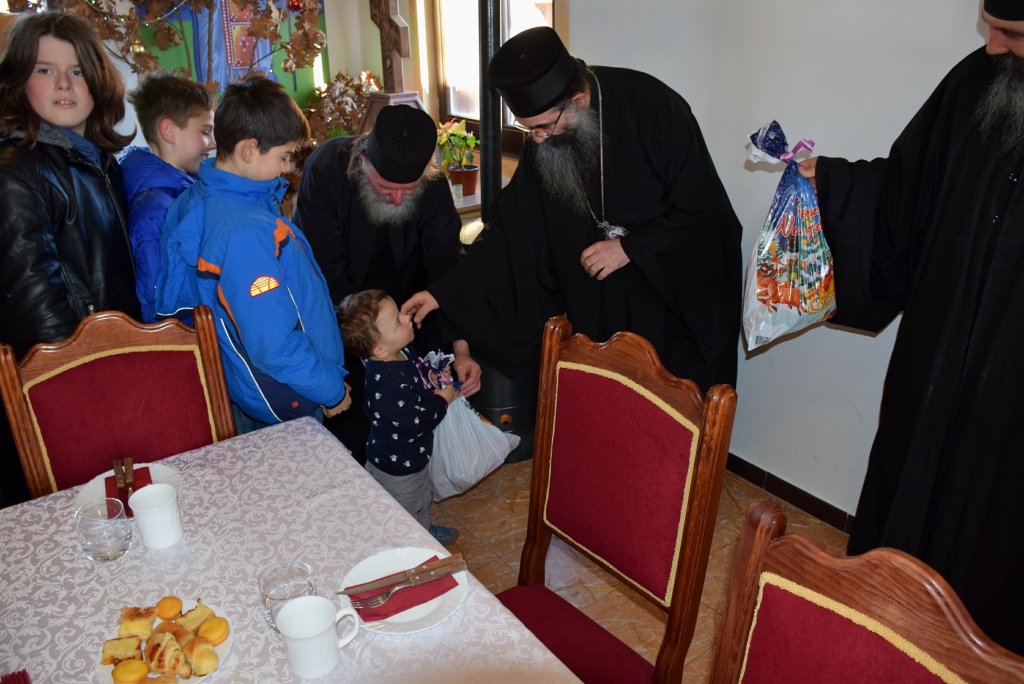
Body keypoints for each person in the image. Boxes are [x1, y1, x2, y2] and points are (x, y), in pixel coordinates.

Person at [797, 0, 1024, 654]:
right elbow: (908, 189)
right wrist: (833, 181)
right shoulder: (977, 80)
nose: (992, 46)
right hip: (938, 353)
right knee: (913, 476)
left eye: (1011, 33)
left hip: (1010, 387)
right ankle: (887, 626)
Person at [402, 27, 742, 393]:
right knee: (610, 402)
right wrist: (446, 293)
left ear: (577, 101)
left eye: (543, 127)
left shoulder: (654, 107)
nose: (537, 140)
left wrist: (629, 248)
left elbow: (705, 211)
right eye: (528, 130)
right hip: (604, 309)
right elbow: (510, 231)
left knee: (672, 408)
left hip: (673, 302)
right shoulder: (545, 136)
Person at [154, 76, 351, 434]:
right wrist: (331, 389)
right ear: (249, 150)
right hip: (286, 396)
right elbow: (273, 345)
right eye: (283, 156)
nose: (287, 168)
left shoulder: (203, 197)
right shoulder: (243, 232)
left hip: (250, 388)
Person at [0, 11, 138, 506]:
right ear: (19, 82)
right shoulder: (15, 171)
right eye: (44, 69)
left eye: (76, 70)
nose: (63, 83)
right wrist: (89, 390)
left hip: (111, 367)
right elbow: (36, 304)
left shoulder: (95, 160)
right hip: (67, 389)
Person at [295, 105, 480, 465]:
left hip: (409, 318)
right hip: (343, 321)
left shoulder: (432, 184)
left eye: (408, 190)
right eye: (385, 187)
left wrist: (461, 351)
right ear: (362, 161)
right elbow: (323, 274)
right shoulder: (326, 170)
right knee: (353, 443)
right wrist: (371, 346)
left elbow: (446, 272)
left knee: (417, 435)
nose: (396, 200)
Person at [336, 289, 459, 545]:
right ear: (380, 350)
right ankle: (412, 546)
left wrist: (431, 377)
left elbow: (414, 375)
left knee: (421, 497)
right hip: (399, 470)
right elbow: (415, 423)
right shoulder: (388, 385)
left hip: (413, 457)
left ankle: (424, 529)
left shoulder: (400, 350)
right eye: (397, 322)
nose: (406, 318)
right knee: (404, 514)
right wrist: (442, 400)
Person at [122, 72, 216, 322]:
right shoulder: (154, 209)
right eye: (205, 131)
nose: (213, 143)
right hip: (189, 339)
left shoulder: (184, 192)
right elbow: (158, 305)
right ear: (169, 131)